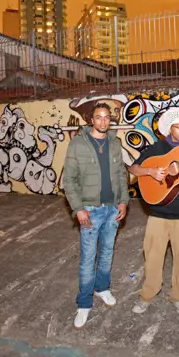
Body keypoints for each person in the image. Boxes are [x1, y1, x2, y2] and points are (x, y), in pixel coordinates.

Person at [128, 107, 179, 316]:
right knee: (152, 258)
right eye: (178, 127)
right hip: (158, 214)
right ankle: (147, 295)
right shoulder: (157, 148)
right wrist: (151, 171)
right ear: (169, 129)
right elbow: (133, 169)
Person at [62, 102, 130, 329]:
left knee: (107, 252)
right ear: (91, 119)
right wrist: (78, 208)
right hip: (90, 210)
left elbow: (121, 174)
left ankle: (102, 288)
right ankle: (84, 303)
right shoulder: (78, 144)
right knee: (88, 258)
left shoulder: (114, 143)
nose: (103, 121)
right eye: (98, 117)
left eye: (106, 117)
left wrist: (124, 201)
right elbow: (68, 180)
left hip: (112, 208)